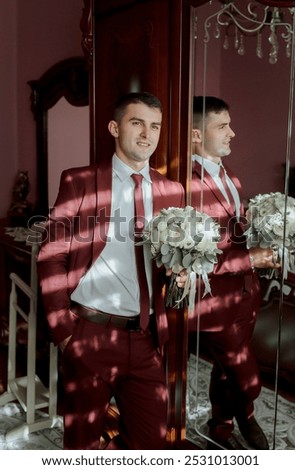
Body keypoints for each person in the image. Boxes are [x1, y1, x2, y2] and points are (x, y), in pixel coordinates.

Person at [37, 91, 185, 450]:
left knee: (152, 445)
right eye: (137, 123)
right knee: (82, 443)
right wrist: (64, 332)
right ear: (114, 127)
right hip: (89, 334)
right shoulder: (80, 181)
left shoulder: (173, 191)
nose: (147, 134)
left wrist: (180, 274)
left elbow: (170, 260)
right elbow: (51, 255)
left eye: (155, 126)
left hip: (146, 338)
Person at [188, 96, 280, 450]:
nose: (232, 132)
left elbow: (233, 236)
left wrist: (259, 227)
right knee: (246, 378)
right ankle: (248, 415)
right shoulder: (185, 184)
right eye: (222, 126)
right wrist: (249, 259)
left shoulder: (231, 176)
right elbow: (195, 258)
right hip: (215, 299)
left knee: (225, 367)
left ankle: (221, 421)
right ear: (196, 135)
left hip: (247, 292)